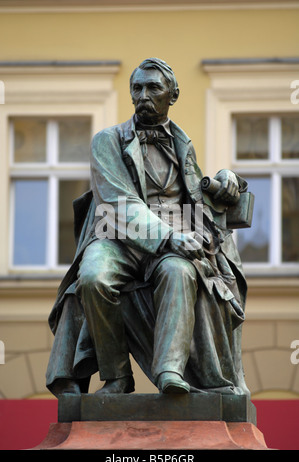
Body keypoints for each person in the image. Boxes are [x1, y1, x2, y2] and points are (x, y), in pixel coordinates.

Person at [46, 58, 250, 398]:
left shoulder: (183, 146)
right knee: (94, 276)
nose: (143, 95)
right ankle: (117, 377)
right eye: (137, 88)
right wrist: (170, 237)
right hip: (117, 236)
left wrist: (229, 180)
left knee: (179, 272)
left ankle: (170, 370)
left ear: (173, 94)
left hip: (173, 241)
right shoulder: (107, 140)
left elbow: (198, 197)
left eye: (153, 88)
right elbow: (118, 202)